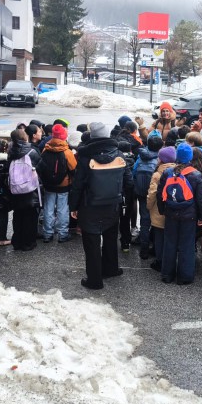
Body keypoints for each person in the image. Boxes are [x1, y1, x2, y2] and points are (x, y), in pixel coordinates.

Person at [69, 122, 132, 290]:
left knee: (92, 242)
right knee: (110, 237)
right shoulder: (119, 154)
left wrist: (73, 206)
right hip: (113, 203)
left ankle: (94, 279)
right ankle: (111, 269)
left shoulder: (85, 157)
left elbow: (77, 185)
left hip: (89, 205)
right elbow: (128, 181)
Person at [157, 143, 202, 284]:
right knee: (187, 245)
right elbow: (201, 199)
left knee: (170, 243)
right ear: (190, 157)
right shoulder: (196, 175)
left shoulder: (168, 172)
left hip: (171, 213)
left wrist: (162, 210)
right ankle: (184, 277)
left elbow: (160, 193)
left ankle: (167, 274)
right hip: (189, 215)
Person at [38, 123, 77, 243]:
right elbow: (74, 169)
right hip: (63, 185)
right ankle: (63, 234)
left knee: (48, 209)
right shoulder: (67, 152)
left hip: (48, 184)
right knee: (62, 210)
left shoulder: (45, 149)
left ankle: (47, 234)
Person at [8, 128, 42, 251]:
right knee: (30, 216)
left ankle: (17, 242)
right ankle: (28, 243)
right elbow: (41, 167)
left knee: (18, 215)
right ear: (25, 137)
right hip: (29, 188)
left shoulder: (11, 152)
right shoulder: (32, 151)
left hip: (15, 188)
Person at [133, 134, 164, 259]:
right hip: (154, 194)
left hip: (141, 193)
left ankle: (144, 250)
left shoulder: (140, 157)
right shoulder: (159, 160)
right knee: (156, 222)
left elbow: (134, 172)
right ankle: (155, 248)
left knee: (144, 222)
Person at [147, 146, 176, 272]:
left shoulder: (157, 174)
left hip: (158, 211)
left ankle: (160, 261)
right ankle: (170, 261)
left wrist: (148, 206)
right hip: (173, 210)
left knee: (159, 238)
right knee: (171, 238)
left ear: (161, 159)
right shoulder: (178, 171)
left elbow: (152, 193)